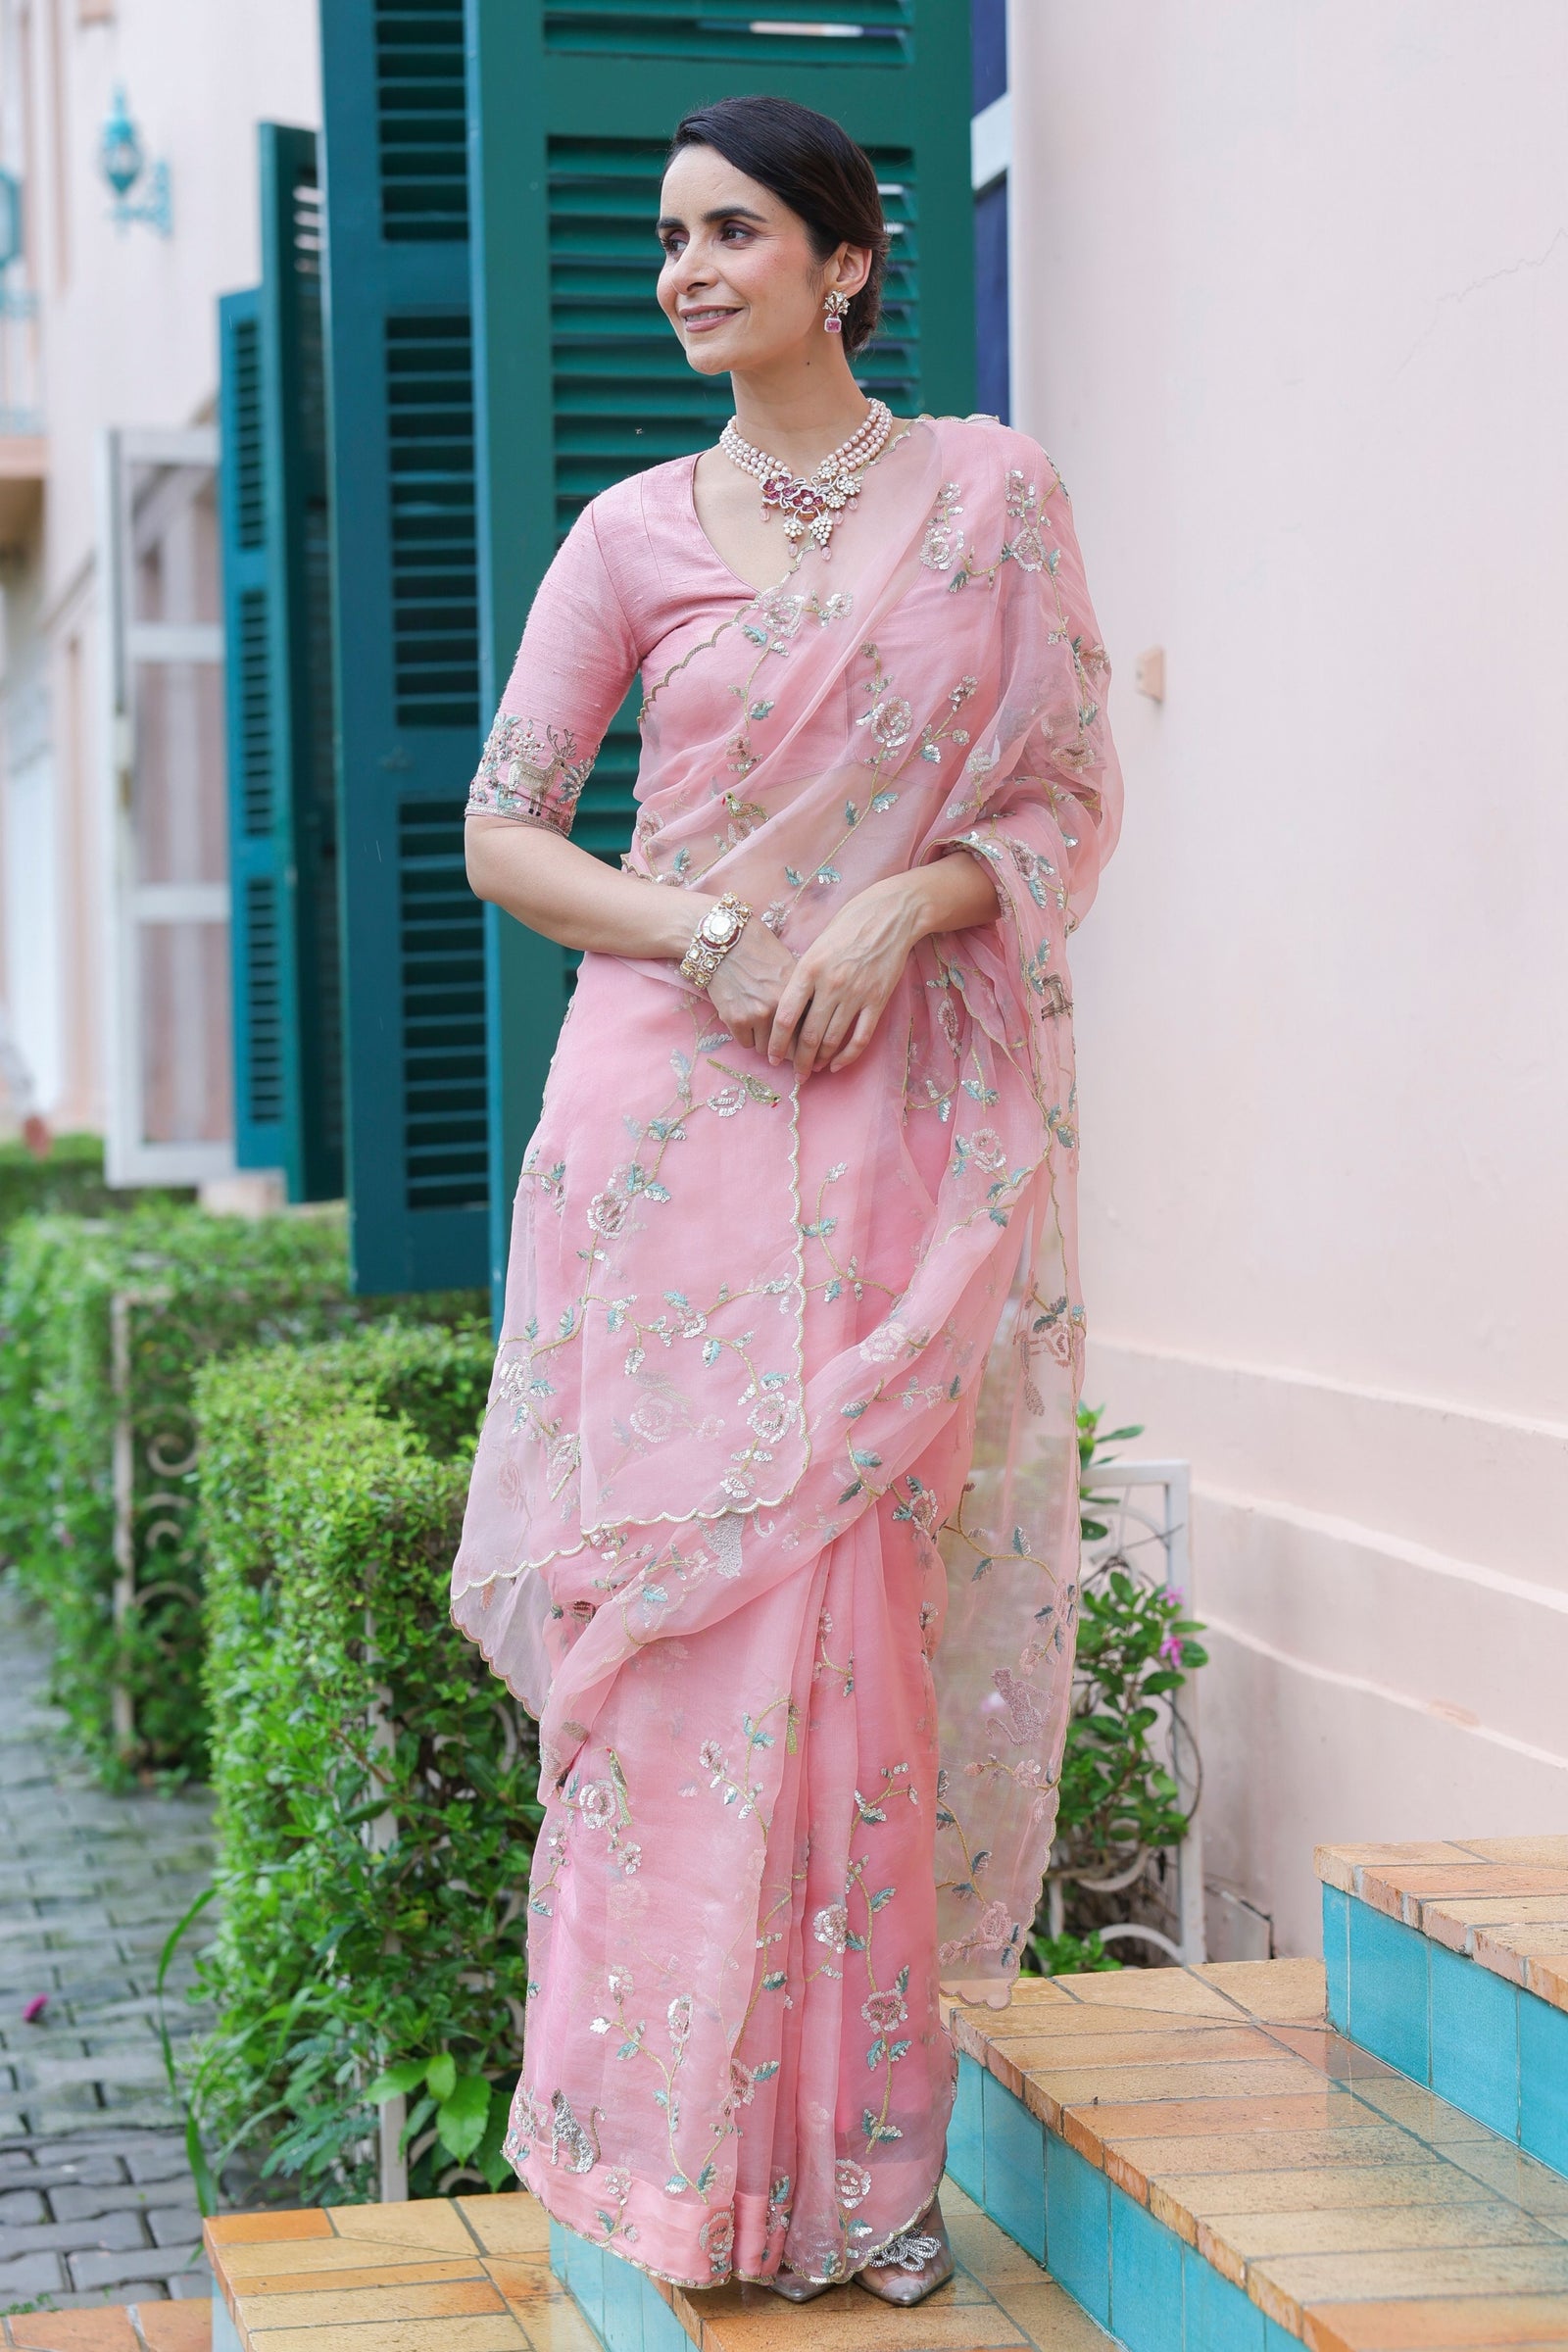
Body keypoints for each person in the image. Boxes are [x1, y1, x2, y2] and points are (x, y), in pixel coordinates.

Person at [451, 93, 1122, 2306]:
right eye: (667, 238)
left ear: (845, 263)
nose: (683, 272)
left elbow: (1064, 794)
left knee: (853, 1636)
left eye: (729, 231)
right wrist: (717, 935)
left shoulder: (993, 501)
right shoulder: (630, 533)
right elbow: (508, 830)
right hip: (665, 1123)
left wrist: (909, 903)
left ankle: (854, 2182)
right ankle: (669, 2175)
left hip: (894, 1108)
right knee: (682, 1651)